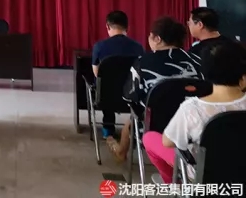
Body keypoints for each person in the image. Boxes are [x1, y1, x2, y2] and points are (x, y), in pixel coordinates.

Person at [143, 40, 246, 183]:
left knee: (149, 138)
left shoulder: (193, 109)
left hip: (204, 176)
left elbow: (168, 142)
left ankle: (174, 183)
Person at [106, 17, 202, 161]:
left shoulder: (143, 63)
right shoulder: (197, 61)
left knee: (134, 116)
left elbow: (129, 97)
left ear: (157, 39)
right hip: (194, 126)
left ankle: (121, 152)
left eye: (150, 36)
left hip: (154, 126)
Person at [91, 11, 144, 138]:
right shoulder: (138, 47)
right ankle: (134, 128)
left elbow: (97, 73)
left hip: (106, 97)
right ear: (128, 28)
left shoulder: (99, 47)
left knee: (105, 85)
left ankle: (108, 128)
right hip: (132, 95)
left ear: (107, 26)